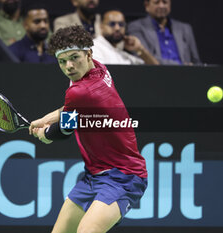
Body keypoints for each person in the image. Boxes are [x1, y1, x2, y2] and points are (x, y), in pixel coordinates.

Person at [29, 26, 147, 233]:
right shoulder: (98, 69)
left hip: (123, 176)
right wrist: (47, 117)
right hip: (93, 176)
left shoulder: (81, 91)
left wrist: (45, 134)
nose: (69, 66)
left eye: (75, 57)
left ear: (89, 53)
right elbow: (73, 109)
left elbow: (66, 128)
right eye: (62, 61)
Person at [128, 0, 201, 65]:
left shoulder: (185, 28)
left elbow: (196, 61)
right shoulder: (136, 27)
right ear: (147, 5)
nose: (161, 6)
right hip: (154, 75)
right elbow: (144, 58)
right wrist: (179, 65)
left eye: (165, 2)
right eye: (157, 2)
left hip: (186, 76)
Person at [92, 10, 159, 65]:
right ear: (101, 27)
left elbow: (156, 69)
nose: (117, 28)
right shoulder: (95, 47)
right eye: (112, 24)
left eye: (121, 24)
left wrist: (140, 49)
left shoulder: (122, 54)